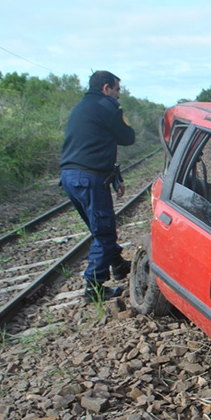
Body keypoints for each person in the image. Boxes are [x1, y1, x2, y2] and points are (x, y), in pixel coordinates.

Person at [60, 70, 135, 302]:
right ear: (106, 88)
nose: (118, 96)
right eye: (117, 90)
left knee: (98, 228)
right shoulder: (107, 106)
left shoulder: (81, 107)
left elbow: (95, 144)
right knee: (104, 231)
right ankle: (94, 288)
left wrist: (116, 176)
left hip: (70, 176)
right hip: (89, 179)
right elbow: (127, 137)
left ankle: (118, 264)